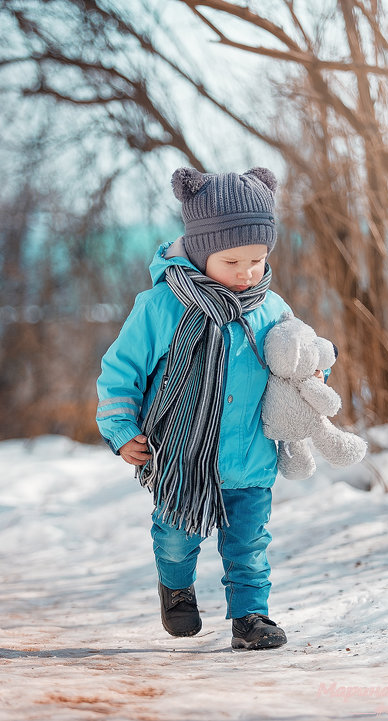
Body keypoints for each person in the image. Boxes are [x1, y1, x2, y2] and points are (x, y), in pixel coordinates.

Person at [96, 166, 292, 650]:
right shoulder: (162, 305)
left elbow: (297, 364)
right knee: (176, 536)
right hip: (182, 458)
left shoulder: (271, 309)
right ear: (202, 250)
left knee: (248, 547)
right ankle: (177, 588)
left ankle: (250, 620)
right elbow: (121, 371)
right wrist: (120, 428)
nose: (247, 274)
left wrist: (312, 373)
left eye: (257, 259)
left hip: (250, 457)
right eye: (232, 262)